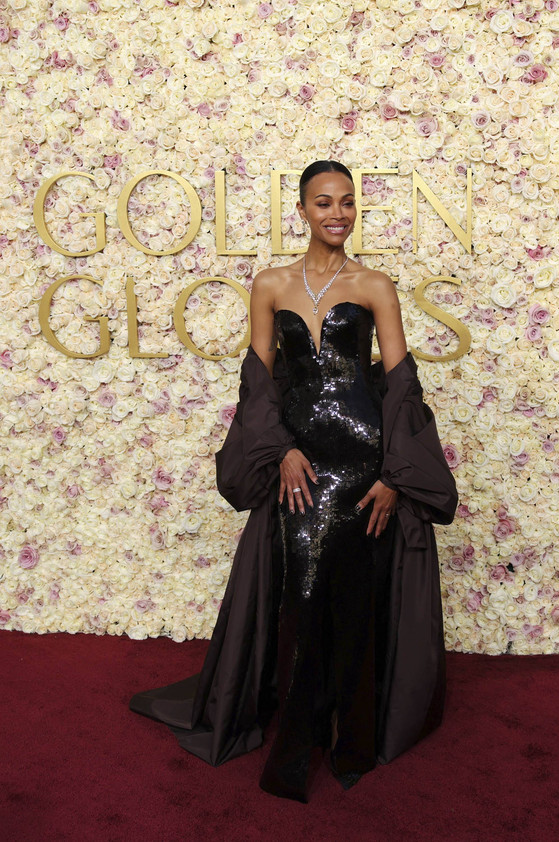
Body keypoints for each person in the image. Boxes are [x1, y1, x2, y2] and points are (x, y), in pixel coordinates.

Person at [130, 161, 458, 803]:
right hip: (301, 462)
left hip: (365, 460)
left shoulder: (375, 285)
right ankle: (300, 731)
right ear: (302, 210)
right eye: (323, 202)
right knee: (302, 589)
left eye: (347, 202)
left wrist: (397, 475)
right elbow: (258, 381)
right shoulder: (270, 284)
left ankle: (351, 737)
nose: (337, 213)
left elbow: (400, 387)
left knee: (354, 591)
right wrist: (278, 450)